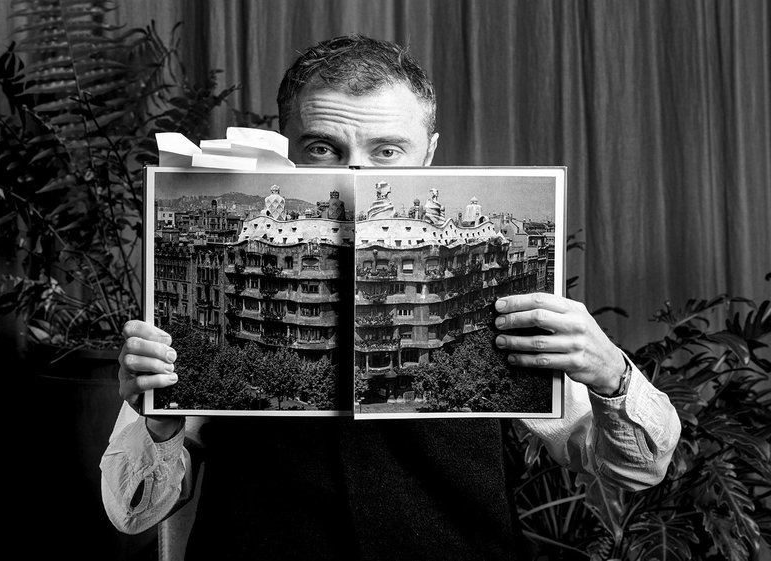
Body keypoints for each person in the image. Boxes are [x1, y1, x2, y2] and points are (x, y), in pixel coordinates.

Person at [101, 34, 681, 560]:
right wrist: (157, 423)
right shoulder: (224, 302)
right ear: (289, 150)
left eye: (385, 150)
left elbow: (636, 467)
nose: (355, 172)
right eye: (324, 148)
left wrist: (612, 374)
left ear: (428, 155)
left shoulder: (483, 283)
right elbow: (133, 512)